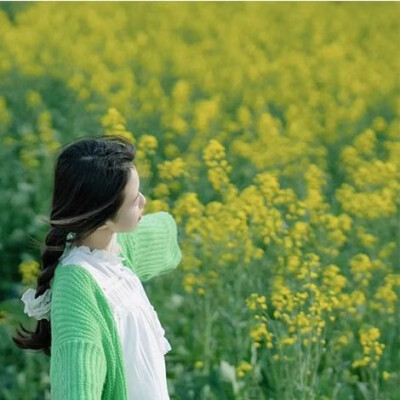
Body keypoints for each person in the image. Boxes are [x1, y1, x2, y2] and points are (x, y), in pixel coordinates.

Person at [13, 135, 182, 399]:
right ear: (102, 220)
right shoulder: (77, 289)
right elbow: (77, 388)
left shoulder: (115, 249)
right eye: (134, 199)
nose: (144, 201)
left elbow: (164, 235)